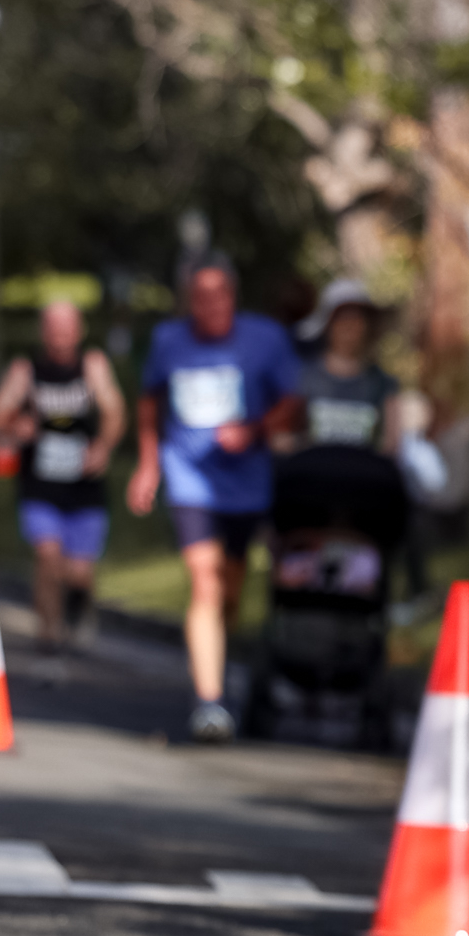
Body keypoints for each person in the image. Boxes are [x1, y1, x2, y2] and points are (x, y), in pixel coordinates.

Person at [128, 256, 306, 741]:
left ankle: (219, 666)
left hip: (246, 484)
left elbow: (293, 403)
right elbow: (149, 401)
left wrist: (254, 430)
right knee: (204, 581)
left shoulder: (265, 339)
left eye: (219, 294)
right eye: (200, 297)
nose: (210, 305)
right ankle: (208, 701)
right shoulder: (169, 341)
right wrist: (148, 465)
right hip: (189, 478)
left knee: (229, 590)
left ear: (233, 296)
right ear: (189, 301)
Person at [0, 298, 125, 659]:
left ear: (79, 331)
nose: (61, 336)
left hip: (83, 484)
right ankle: (48, 634)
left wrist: (103, 446)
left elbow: (115, 411)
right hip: (40, 483)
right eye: (54, 328)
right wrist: (14, 424)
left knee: (79, 572)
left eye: (67, 328)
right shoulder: (26, 371)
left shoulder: (93, 366)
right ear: (43, 331)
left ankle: (78, 609)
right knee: (48, 556)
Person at [287, 280, 409, 456]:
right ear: (327, 324)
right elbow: (284, 438)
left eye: (357, 317)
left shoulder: (383, 384)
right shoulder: (303, 378)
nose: (350, 325)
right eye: (342, 318)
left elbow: (392, 446)